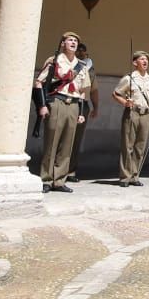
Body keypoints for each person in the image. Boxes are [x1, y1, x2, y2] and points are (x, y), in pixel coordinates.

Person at [34, 32, 91, 192]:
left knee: (67, 144)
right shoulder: (54, 60)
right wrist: (42, 105)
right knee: (51, 141)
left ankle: (59, 180)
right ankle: (46, 179)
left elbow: (82, 91)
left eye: (75, 41)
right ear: (62, 43)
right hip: (57, 101)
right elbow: (39, 82)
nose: (73, 42)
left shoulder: (82, 66)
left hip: (73, 104)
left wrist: (81, 112)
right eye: (70, 40)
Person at [112, 50, 149, 187]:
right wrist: (125, 102)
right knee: (128, 145)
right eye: (142, 59)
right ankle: (125, 177)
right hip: (132, 112)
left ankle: (134, 176)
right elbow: (115, 94)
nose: (145, 61)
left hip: (145, 114)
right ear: (135, 62)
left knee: (140, 146)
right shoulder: (129, 78)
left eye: (146, 59)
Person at [67, 42, 100, 183]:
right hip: (67, 101)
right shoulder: (67, 63)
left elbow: (94, 90)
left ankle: (70, 171)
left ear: (86, 53)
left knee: (76, 139)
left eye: (83, 50)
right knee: (63, 137)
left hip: (83, 105)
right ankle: (56, 171)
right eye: (78, 50)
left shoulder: (90, 69)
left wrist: (96, 107)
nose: (80, 52)